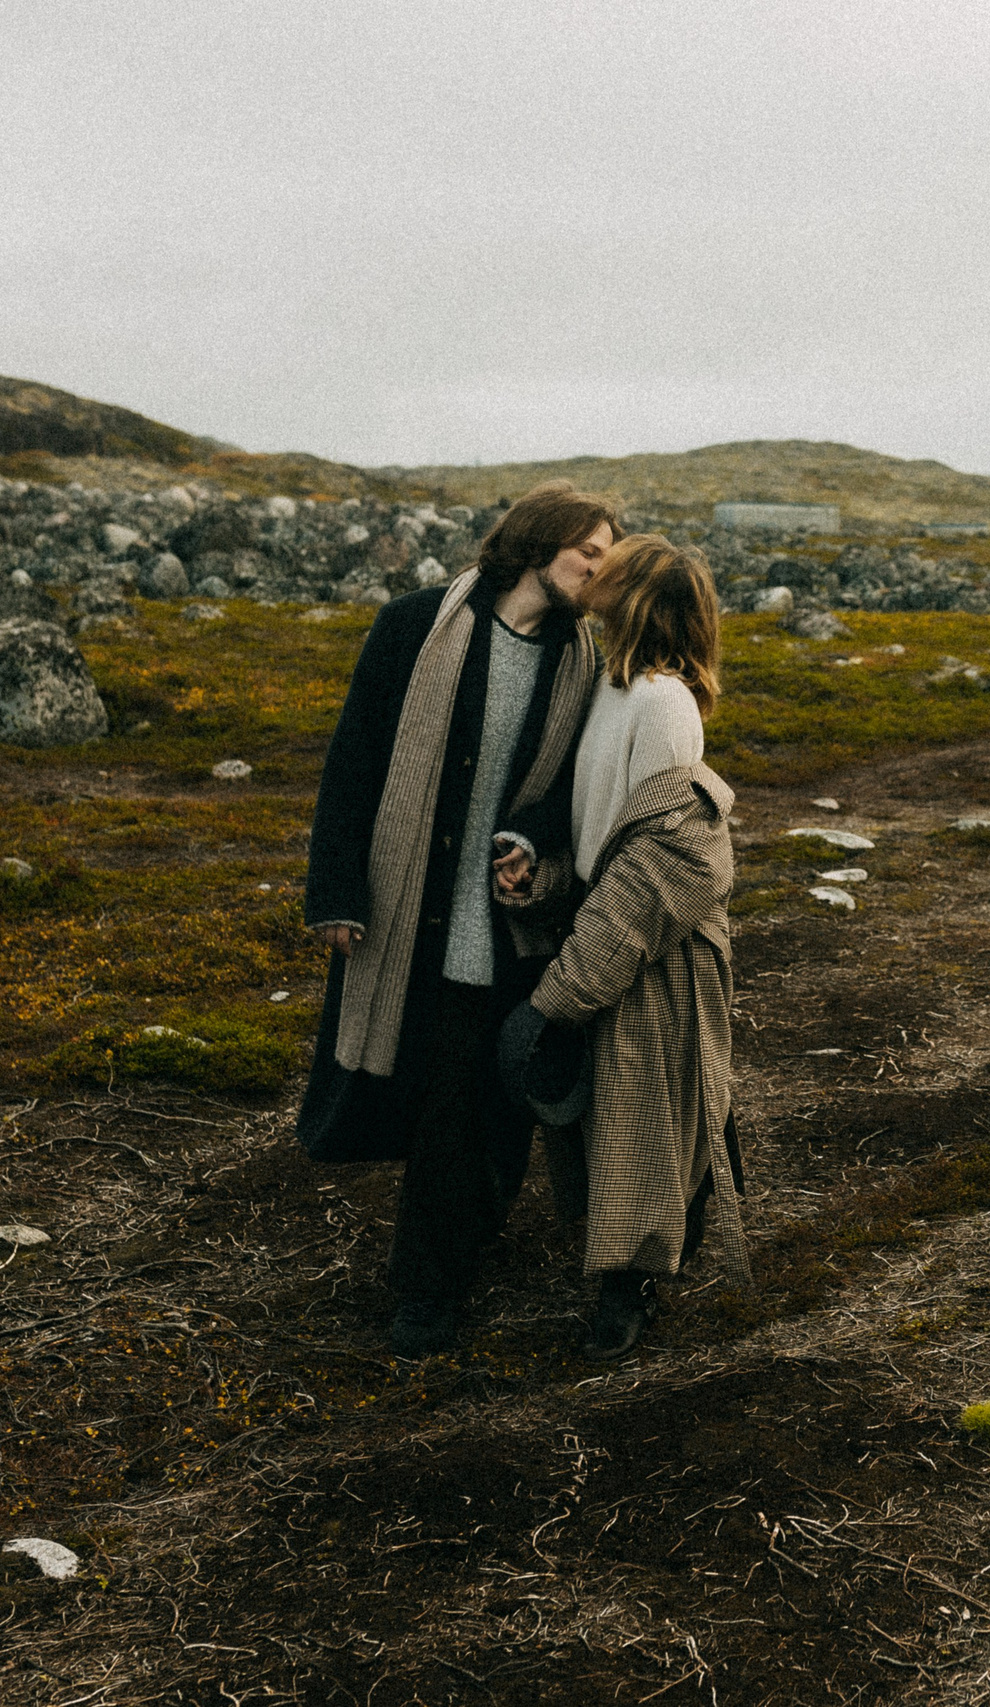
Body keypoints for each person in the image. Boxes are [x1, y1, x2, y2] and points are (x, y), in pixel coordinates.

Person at [297, 482, 621, 1358]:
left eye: (606, 555)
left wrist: (534, 843)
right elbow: (355, 755)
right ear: (535, 541)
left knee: (498, 1106)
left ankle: (458, 1249)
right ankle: (426, 1294)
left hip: (516, 927)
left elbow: (576, 793)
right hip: (420, 921)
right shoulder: (413, 625)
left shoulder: (583, 664)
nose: (597, 566)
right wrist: (334, 890)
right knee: (445, 1104)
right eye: (586, 548)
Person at [492, 533, 746, 1360]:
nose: (594, 571)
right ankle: (660, 1235)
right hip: (609, 923)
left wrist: (566, 984)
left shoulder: (663, 702)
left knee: (644, 1106)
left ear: (638, 594)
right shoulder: (610, 687)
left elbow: (663, 856)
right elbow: (606, 831)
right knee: (621, 1105)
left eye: (615, 565)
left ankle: (631, 1286)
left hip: (655, 946)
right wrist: (550, 871)